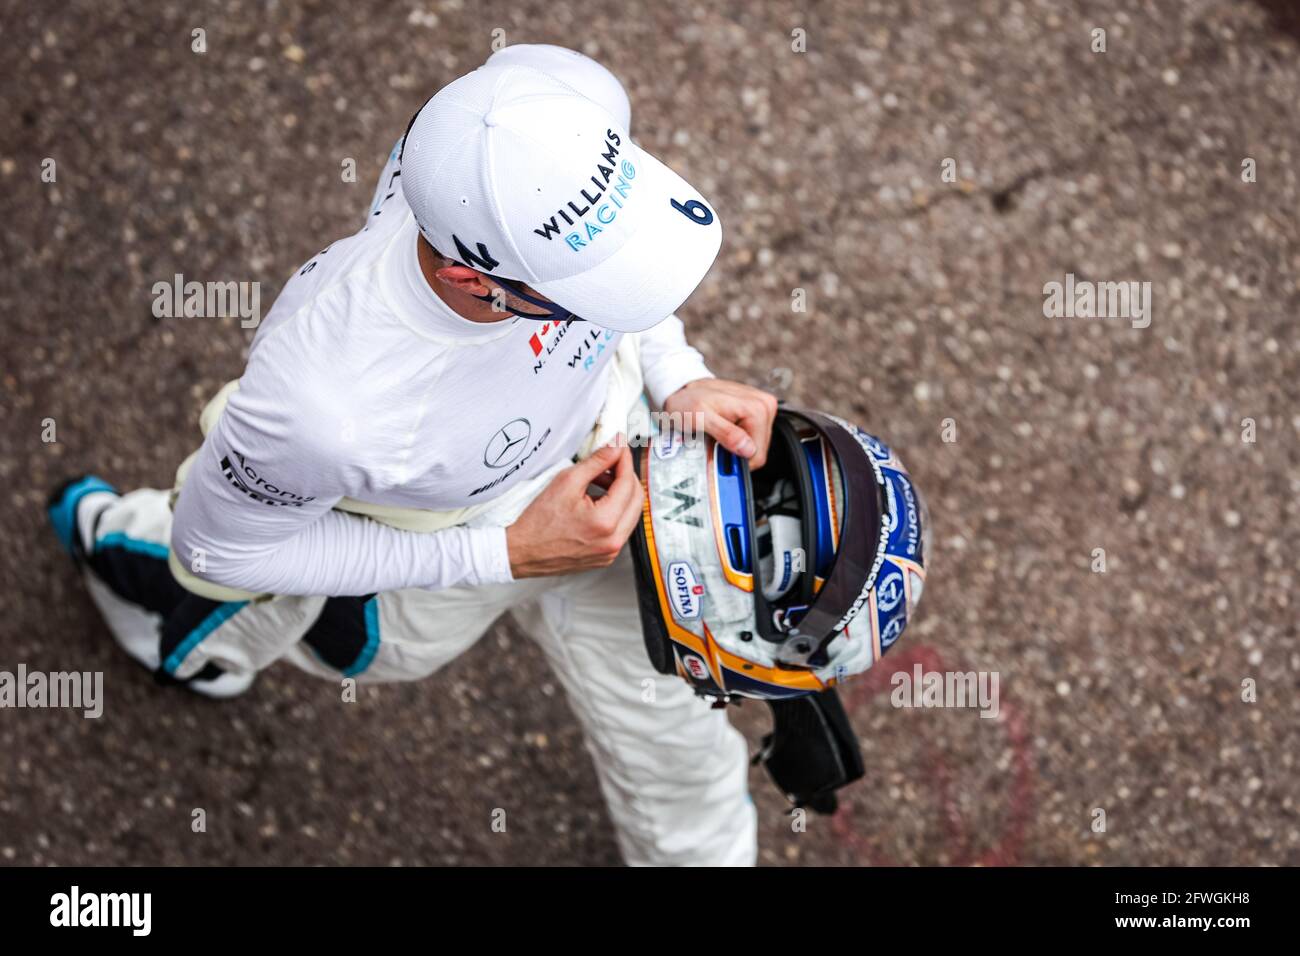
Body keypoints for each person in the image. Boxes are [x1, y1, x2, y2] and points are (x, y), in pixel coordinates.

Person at [46, 47, 777, 866]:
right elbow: (220, 549)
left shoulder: (546, 104)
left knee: (677, 745)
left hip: (616, 461)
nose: (610, 299)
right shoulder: (321, 407)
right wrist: (504, 552)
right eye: (584, 290)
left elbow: (617, 286)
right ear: (471, 278)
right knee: (196, 590)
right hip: (428, 554)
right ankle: (119, 557)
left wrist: (679, 377)